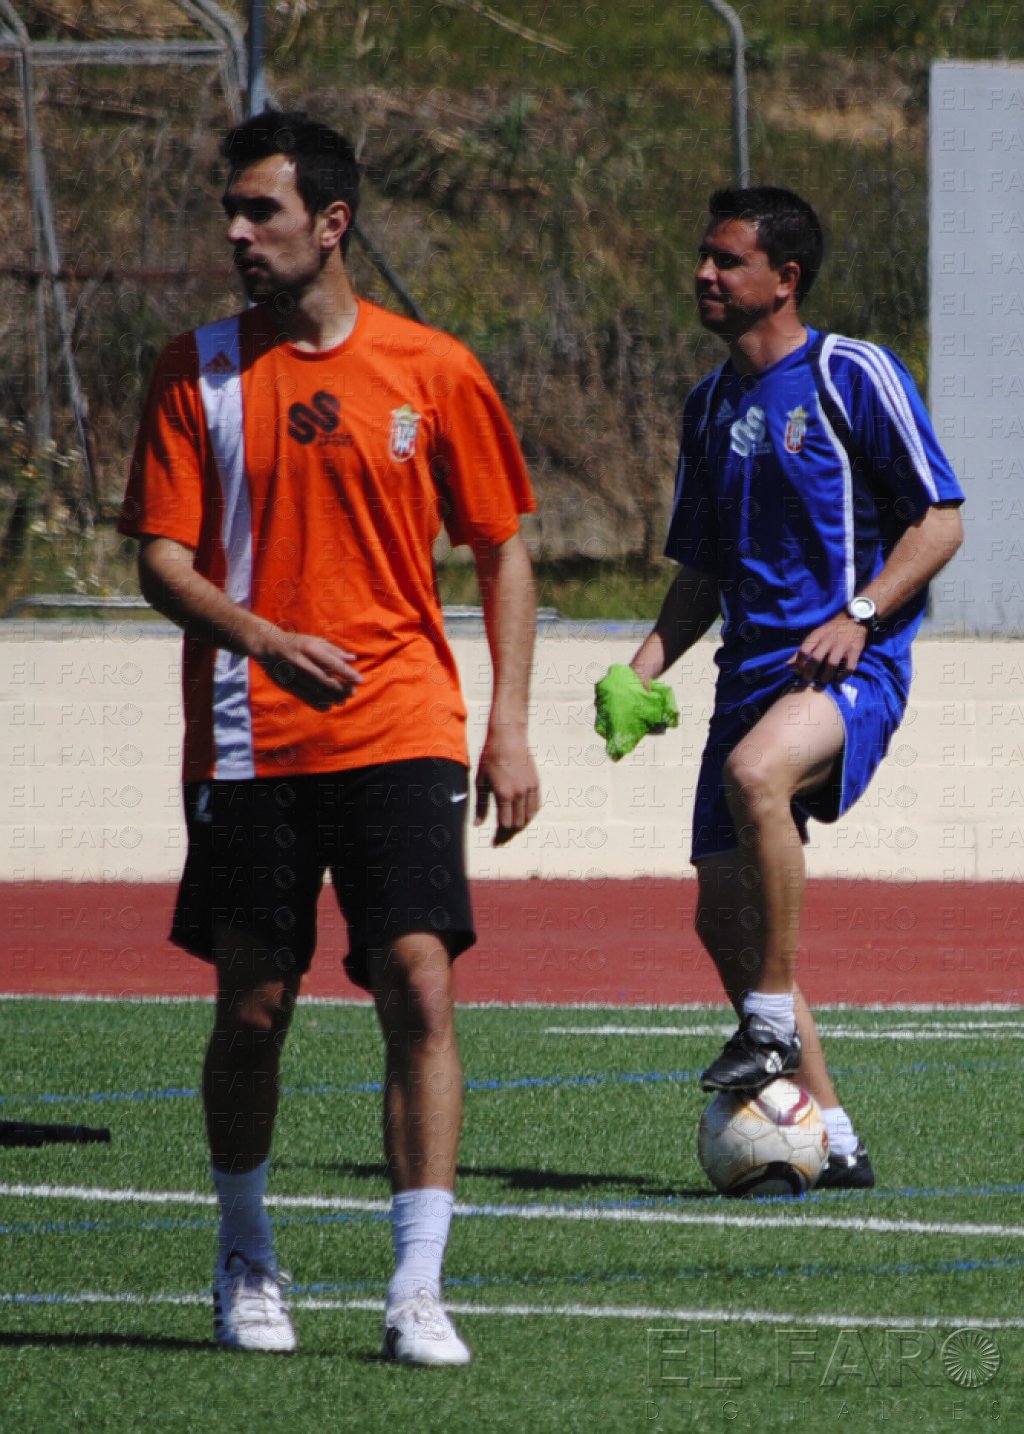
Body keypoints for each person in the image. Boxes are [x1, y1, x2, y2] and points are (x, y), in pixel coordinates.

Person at [119, 108, 540, 1364]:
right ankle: (246, 1256)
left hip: (405, 715)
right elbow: (159, 561)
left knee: (417, 976)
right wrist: (258, 638)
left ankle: (417, 1286)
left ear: (332, 223)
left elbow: (503, 544)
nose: (240, 234)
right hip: (251, 736)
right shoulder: (192, 370)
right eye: (231, 214)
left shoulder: (435, 368)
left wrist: (508, 725)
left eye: (265, 213)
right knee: (254, 1006)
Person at [609, 186, 964, 1188]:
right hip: (745, 677)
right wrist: (637, 673)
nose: (703, 275)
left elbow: (938, 520)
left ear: (784, 278)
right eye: (702, 257)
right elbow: (704, 573)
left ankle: (766, 1023)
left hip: (852, 666)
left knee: (759, 775)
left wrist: (859, 614)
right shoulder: (710, 404)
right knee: (720, 917)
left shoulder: (852, 372)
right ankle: (836, 1136)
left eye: (726, 260)